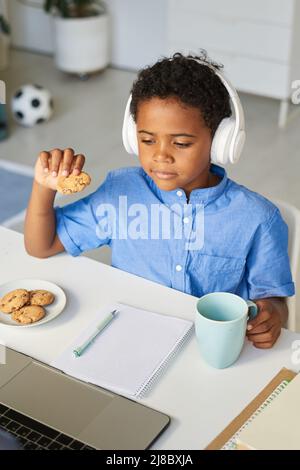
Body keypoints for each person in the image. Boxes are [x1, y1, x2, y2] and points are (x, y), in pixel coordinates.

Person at [24, 52, 295, 349]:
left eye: (181, 143)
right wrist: (44, 186)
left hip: (207, 350)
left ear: (220, 141)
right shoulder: (120, 194)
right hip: (130, 340)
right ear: (132, 135)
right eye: (147, 139)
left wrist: (273, 314)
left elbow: (273, 300)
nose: (160, 155)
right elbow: (42, 245)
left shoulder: (257, 218)